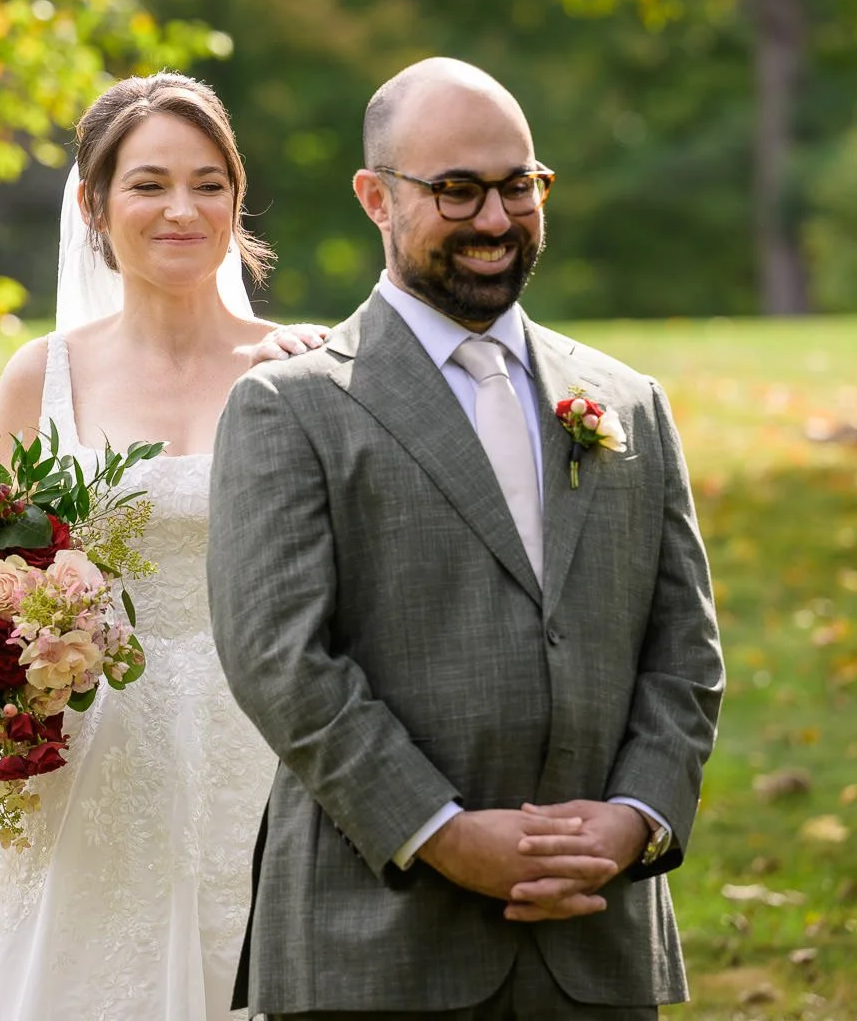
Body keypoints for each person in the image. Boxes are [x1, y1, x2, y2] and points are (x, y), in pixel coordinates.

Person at [208, 57, 725, 1020]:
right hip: (376, 942)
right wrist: (442, 833)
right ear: (376, 196)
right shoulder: (292, 407)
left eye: (519, 185)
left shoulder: (630, 404)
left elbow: (684, 652)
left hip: (595, 937)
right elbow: (280, 659)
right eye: (457, 190)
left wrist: (632, 821)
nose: (495, 219)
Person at [0, 72, 326, 1021]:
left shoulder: (306, 368)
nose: (182, 209)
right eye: (149, 183)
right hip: (94, 754)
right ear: (94, 204)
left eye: (209, 183)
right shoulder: (44, 376)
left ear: (237, 200)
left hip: (271, 743)